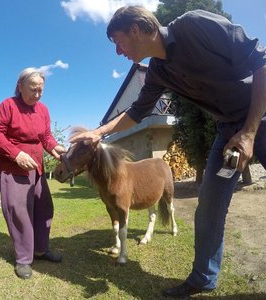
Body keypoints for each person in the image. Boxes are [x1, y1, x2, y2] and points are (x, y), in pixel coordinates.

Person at [70, 5, 266, 298]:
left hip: (259, 116)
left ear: (135, 30)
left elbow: (261, 62)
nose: (118, 52)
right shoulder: (159, 72)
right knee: (209, 208)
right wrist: (98, 132)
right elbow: (137, 111)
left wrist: (249, 132)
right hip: (226, 130)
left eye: (118, 42)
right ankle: (203, 278)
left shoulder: (194, 25)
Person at [0, 68, 66, 279]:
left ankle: (41, 249)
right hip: (14, 167)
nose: (38, 94)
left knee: (44, 208)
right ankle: (23, 259)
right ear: (20, 86)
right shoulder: (8, 105)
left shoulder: (43, 110)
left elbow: (46, 137)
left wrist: (55, 148)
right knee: (20, 212)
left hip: (37, 167)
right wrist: (16, 154)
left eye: (41, 90)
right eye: (33, 89)